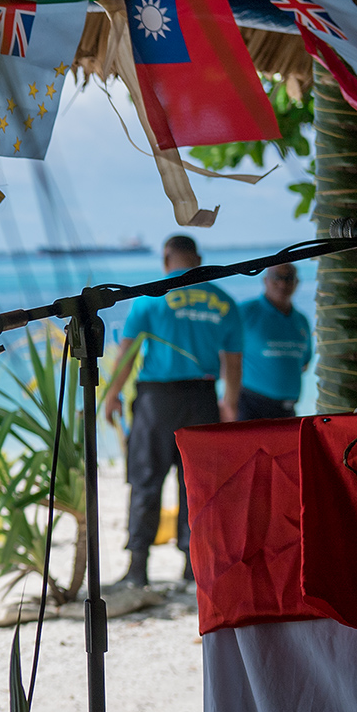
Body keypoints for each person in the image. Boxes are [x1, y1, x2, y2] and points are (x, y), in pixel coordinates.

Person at [101, 234, 243, 588]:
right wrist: (230, 404)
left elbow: (129, 352)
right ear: (198, 260)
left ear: (166, 259)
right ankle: (193, 568)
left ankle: (138, 568)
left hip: (157, 401)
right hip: (203, 398)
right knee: (196, 485)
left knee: (146, 479)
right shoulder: (224, 302)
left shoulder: (151, 296)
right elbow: (233, 363)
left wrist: (113, 395)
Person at [237, 264, 312, 419]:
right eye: (277, 277)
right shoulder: (245, 312)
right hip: (251, 406)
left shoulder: (301, 320)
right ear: (265, 280)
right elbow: (223, 353)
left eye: (289, 278)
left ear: (297, 282)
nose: (283, 284)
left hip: (288, 408)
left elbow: (304, 363)